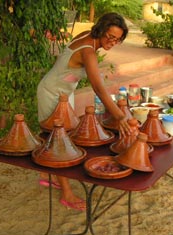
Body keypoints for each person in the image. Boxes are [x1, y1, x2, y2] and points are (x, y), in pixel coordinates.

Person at [37, 12, 131, 211]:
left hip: (63, 92)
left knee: (58, 136)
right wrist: (120, 116)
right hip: (51, 93)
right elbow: (98, 88)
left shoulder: (91, 37)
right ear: (101, 30)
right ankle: (67, 194)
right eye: (110, 36)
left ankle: (47, 175)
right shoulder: (88, 50)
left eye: (117, 39)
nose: (112, 42)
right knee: (59, 141)